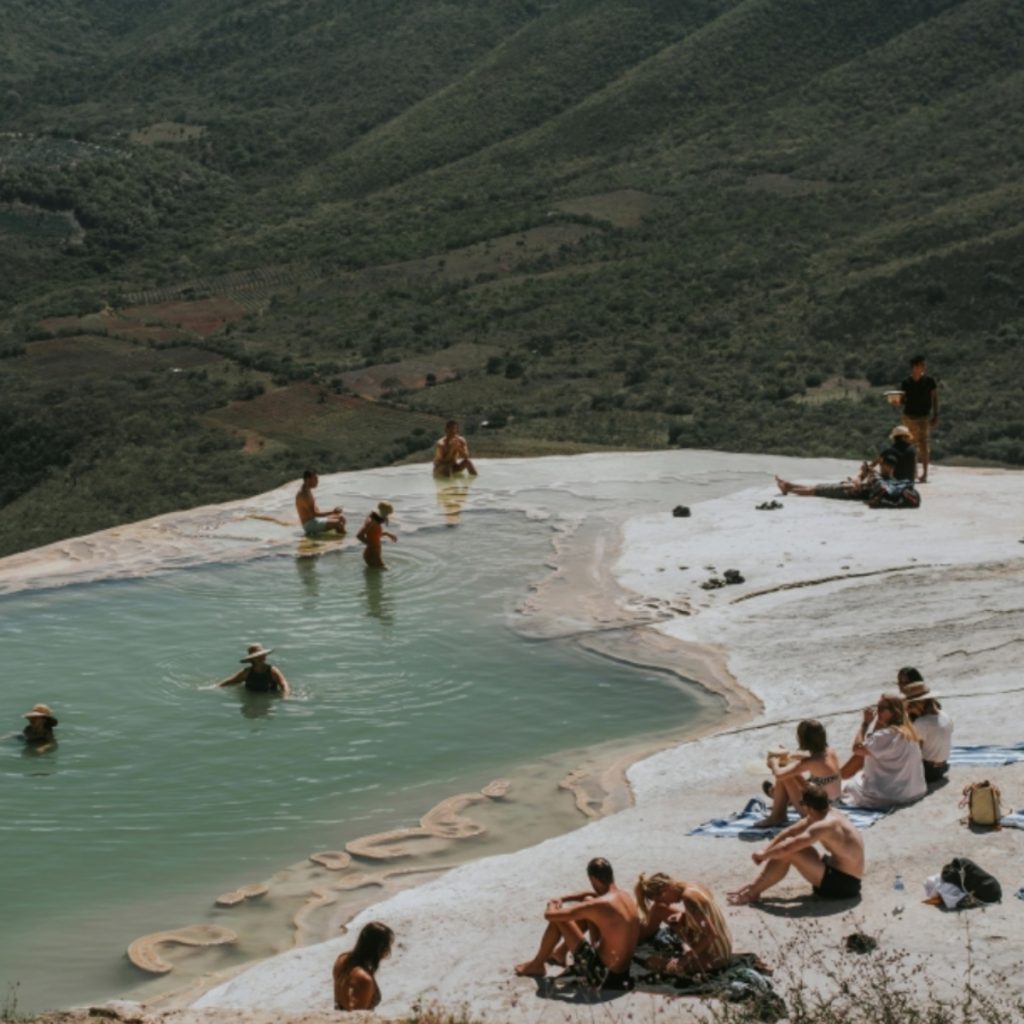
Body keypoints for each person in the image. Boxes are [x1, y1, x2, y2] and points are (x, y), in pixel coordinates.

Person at [515, 857, 639, 991]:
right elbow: (591, 894)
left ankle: (537, 965)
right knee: (588, 900)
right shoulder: (624, 896)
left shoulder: (600, 905)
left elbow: (550, 915)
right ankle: (560, 953)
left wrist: (552, 904)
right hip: (623, 973)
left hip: (602, 975)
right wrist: (563, 898)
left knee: (560, 918)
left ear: (593, 879)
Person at [727, 785, 865, 905]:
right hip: (841, 873)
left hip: (843, 885)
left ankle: (752, 892)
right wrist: (765, 850)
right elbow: (790, 832)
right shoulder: (825, 813)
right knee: (791, 845)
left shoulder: (824, 825)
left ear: (807, 807)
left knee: (790, 851)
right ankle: (754, 888)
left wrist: (764, 856)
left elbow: (787, 848)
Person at [634, 873, 732, 977]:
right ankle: (636, 937)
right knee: (657, 909)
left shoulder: (689, 898)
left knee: (653, 963)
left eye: (661, 900)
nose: (667, 904)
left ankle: (633, 940)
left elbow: (711, 934)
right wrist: (682, 916)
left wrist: (685, 959)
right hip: (713, 939)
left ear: (665, 889)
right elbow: (705, 913)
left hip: (715, 955)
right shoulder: (693, 886)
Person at [840, 694, 925, 808]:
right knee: (861, 774)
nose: (878, 711)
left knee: (845, 785)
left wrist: (865, 724)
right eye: (878, 707)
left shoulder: (886, 735)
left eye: (882, 708)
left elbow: (857, 748)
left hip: (890, 797)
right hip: (915, 791)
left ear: (894, 711)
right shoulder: (910, 731)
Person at [754, 719, 842, 828]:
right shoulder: (829, 752)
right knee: (791, 773)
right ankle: (780, 800)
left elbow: (779, 774)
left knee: (785, 774)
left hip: (820, 813)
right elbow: (806, 758)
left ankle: (777, 815)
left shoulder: (811, 762)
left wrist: (774, 763)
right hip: (833, 805)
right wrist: (788, 755)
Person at [775, 456, 919, 508]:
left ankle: (788, 489)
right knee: (816, 488)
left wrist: (863, 473)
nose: (880, 466)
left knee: (815, 490)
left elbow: (862, 485)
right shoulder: (893, 481)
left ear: (885, 465)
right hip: (851, 490)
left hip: (849, 492)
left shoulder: (878, 477)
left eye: (882, 464)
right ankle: (788, 485)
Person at [332, 921, 394, 1011]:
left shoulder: (342, 959)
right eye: (387, 946)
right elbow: (357, 1015)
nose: (388, 951)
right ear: (378, 948)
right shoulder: (364, 979)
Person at [902, 681, 953, 783]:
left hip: (928, 771)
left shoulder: (921, 723)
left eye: (910, 704)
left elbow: (914, 753)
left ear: (918, 704)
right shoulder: (945, 716)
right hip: (943, 767)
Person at [898, 355, 938, 483]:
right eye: (922, 365)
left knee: (924, 445)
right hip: (909, 416)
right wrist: (896, 402)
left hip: (923, 416)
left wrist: (935, 415)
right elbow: (903, 400)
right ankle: (913, 472)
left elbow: (935, 398)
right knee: (911, 445)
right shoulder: (906, 383)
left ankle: (925, 473)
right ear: (915, 367)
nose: (924, 367)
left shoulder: (929, 381)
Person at [217, 643, 290, 696]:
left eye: (262, 655)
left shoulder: (272, 671)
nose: (261, 658)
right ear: (252, 659)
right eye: (257, 656)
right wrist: (216, 687)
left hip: (268, 696)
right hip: (250, 696)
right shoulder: (247, 672)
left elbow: (283, 684)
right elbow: (231, 681)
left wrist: (285, 695)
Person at [295, 469, 346, 537]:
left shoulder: (307, 489)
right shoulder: (304, 494)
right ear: (308, 480)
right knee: (338, 524)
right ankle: (344, 540)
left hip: (314, 520)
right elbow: (314, 514)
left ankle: (338, 538)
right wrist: (333, 512)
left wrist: (332, 514)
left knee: (341, 518)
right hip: (309, 525)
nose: (317, 482)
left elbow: (315, 513)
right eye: (315, 479)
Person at [356, 502, 397, 569]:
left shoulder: (376, 519)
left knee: (381, 571)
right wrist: (372, 546)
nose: (387, 516)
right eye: (387, 513)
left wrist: (387, 534)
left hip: (375, 552)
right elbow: (359, 535)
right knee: (383, 570)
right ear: (381, 511)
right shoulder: (371, 522)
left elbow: (374, 534)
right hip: (372, 554)